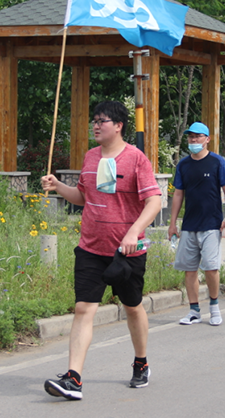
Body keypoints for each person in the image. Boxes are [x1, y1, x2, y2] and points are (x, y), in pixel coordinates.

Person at [41, 101, 162, 400]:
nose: (95, 125)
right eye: (94, 120)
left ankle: (141, 362)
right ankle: (73, 379)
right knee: (83, 308)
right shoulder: (91, 156)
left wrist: (133, 231)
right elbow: (82, 197)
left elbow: (154, 201)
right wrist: (58, 186)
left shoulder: (136, 159)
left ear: (118, 125)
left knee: (132, 306)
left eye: (102, 121)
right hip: (91, 248)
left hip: (126, 252)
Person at [168, 122, 225, 326]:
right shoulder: (183, 165)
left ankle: (214, 308)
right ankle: (194, 310)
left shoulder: (217, 162)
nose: (193, 140)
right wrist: (172, 223)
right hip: (189, 225)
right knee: (190, 270)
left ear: (207, 139)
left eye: (197, 136)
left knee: (211, 268)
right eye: (190, 137)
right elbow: (178, 194)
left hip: (211, 225)